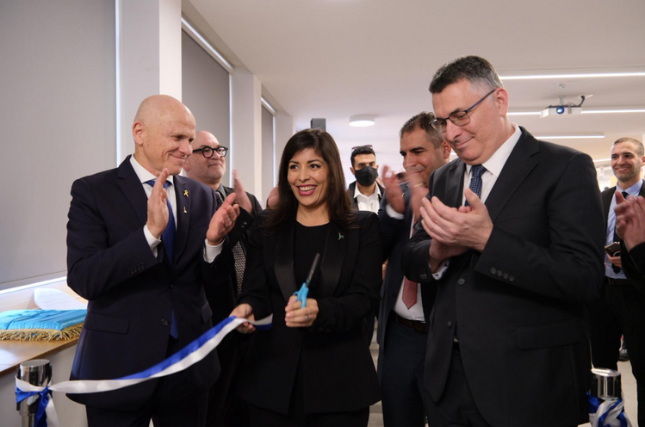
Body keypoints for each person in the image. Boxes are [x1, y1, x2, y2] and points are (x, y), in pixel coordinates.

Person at [403, 56, 605, 426]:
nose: (450, 133)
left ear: (500, 101)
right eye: (442, 122)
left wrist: (488, 240)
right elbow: (412, 256)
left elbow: (584, 278)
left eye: (460, 115)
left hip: (529, 385)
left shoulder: (564, 168)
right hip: (448, 382)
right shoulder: (445, 177)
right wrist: (437, 251)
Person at [66, 95, 239, 426]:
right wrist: (149, 235)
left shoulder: (201, 195)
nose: (187, 149)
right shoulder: (94, 191)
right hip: (119, 366)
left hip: (190, 364)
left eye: (190, 139)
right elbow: (84, 278)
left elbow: (214, 281)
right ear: (139, 132)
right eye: (178, 137)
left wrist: (215, 244)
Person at [231, 129, 382, 426]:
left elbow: (364, 299)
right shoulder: (266, 226)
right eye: (294, 166)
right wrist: (246, 308)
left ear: (332, 170)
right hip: (271, 382)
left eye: (314, 165)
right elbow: (255, 291)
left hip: (339, 384)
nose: (302, 177)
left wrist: (320, 310)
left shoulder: (362, 227)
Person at [183, 130, 262, 426]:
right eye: (205, 150)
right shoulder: (184, 204)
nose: (216, 155)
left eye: (219, 149)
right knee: (214, 414)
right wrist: (242, 221)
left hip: (253, 326)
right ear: (186, 161)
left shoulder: (245, 199)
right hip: (212, 331)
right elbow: (200, 265)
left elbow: (262, 257)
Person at [377, 112, 450, 427]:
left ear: (445, 148)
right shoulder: (399, 195)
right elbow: (377, 252)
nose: (409, 162)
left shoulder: (463, 195)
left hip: (444, 340)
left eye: (418, 151)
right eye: (404, 153)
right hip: (399, 337)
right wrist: (394, 211)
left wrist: (432, 217)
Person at [589, 137, 645, 424]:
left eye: (628, 155)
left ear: (642, 160)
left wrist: (633, 258)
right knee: (602, 369)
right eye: (615, 156)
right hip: (602, 295)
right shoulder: (601, 198)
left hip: (639, 296)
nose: (620, 161)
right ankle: (608, 422)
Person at [346, 145, 384, 213]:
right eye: (361, 165)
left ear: (377, 167)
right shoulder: (342, 201)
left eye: (371, 164)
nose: (368, 169)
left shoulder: (389, 199)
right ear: (352, 170)